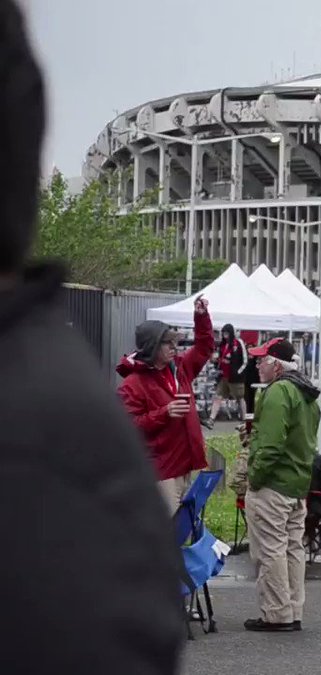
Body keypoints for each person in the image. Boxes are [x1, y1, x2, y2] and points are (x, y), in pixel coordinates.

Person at [0, 5, 183, 665]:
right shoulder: (126, 385)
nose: (172, 354)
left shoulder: (51, 467)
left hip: (166, 473)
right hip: (159, 467)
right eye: (167, 346)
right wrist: (170, 406)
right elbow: (143, 418)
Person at [242, 338, 320, 632]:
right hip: (297, 481)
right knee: (292, 548)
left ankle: (276, 612)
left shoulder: (277, 392)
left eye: (262, 359)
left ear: (276, 364)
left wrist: (256, 476)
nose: (257, 364)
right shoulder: (305, 392)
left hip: (273, 483)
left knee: (270, 549)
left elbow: (271, 444)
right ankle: (293, 609)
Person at [117, 295, 215, 511]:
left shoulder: (180, 368)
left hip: (184, 468)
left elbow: (204, 348)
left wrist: (201, 317)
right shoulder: (133, 384)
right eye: (167, 343)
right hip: (161, 474)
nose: (175, 347)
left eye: (175, 342)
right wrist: (164, 412)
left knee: (180, 531)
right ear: (151, 347)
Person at [207, 322, 248, 426]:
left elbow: (245, 360)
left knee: (240, 398)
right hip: (224, 376)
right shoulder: (223, 345)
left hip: (235, 377)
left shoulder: (238, 343)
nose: (225, 335)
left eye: (226, 333)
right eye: (223, 333)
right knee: (218, 396)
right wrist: (218, 362)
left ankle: (245, 419)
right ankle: (211, 419)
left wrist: (238, 372)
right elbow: (220, 358)